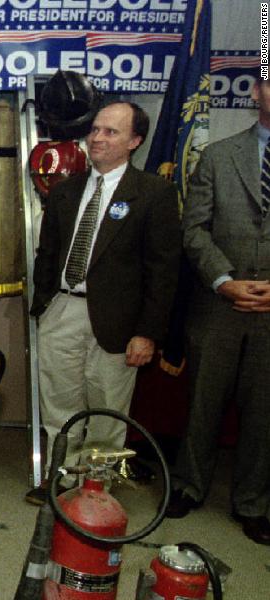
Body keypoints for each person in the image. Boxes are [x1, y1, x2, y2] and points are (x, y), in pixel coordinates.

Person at [27, 101, 181, 504]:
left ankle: (95, 488)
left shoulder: (154, 194)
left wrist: (147, 333)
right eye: (95, 129)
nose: (97, 137)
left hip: (118, 323)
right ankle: (60, 479)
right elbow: (47, 256)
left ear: (135, 141)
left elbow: (163, 272)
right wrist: (43, 305)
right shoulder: (65, 190)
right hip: (62, 310)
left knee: (107, 410)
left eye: (111, 132)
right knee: (59, 405)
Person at [165, 76, 270, 545]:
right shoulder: (219, 155)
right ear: (256, 92)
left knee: (265, 413)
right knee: (203, 405)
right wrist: (226, 282)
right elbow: (194, 230)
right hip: (218, 306)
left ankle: (253, 503)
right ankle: (188, 485)